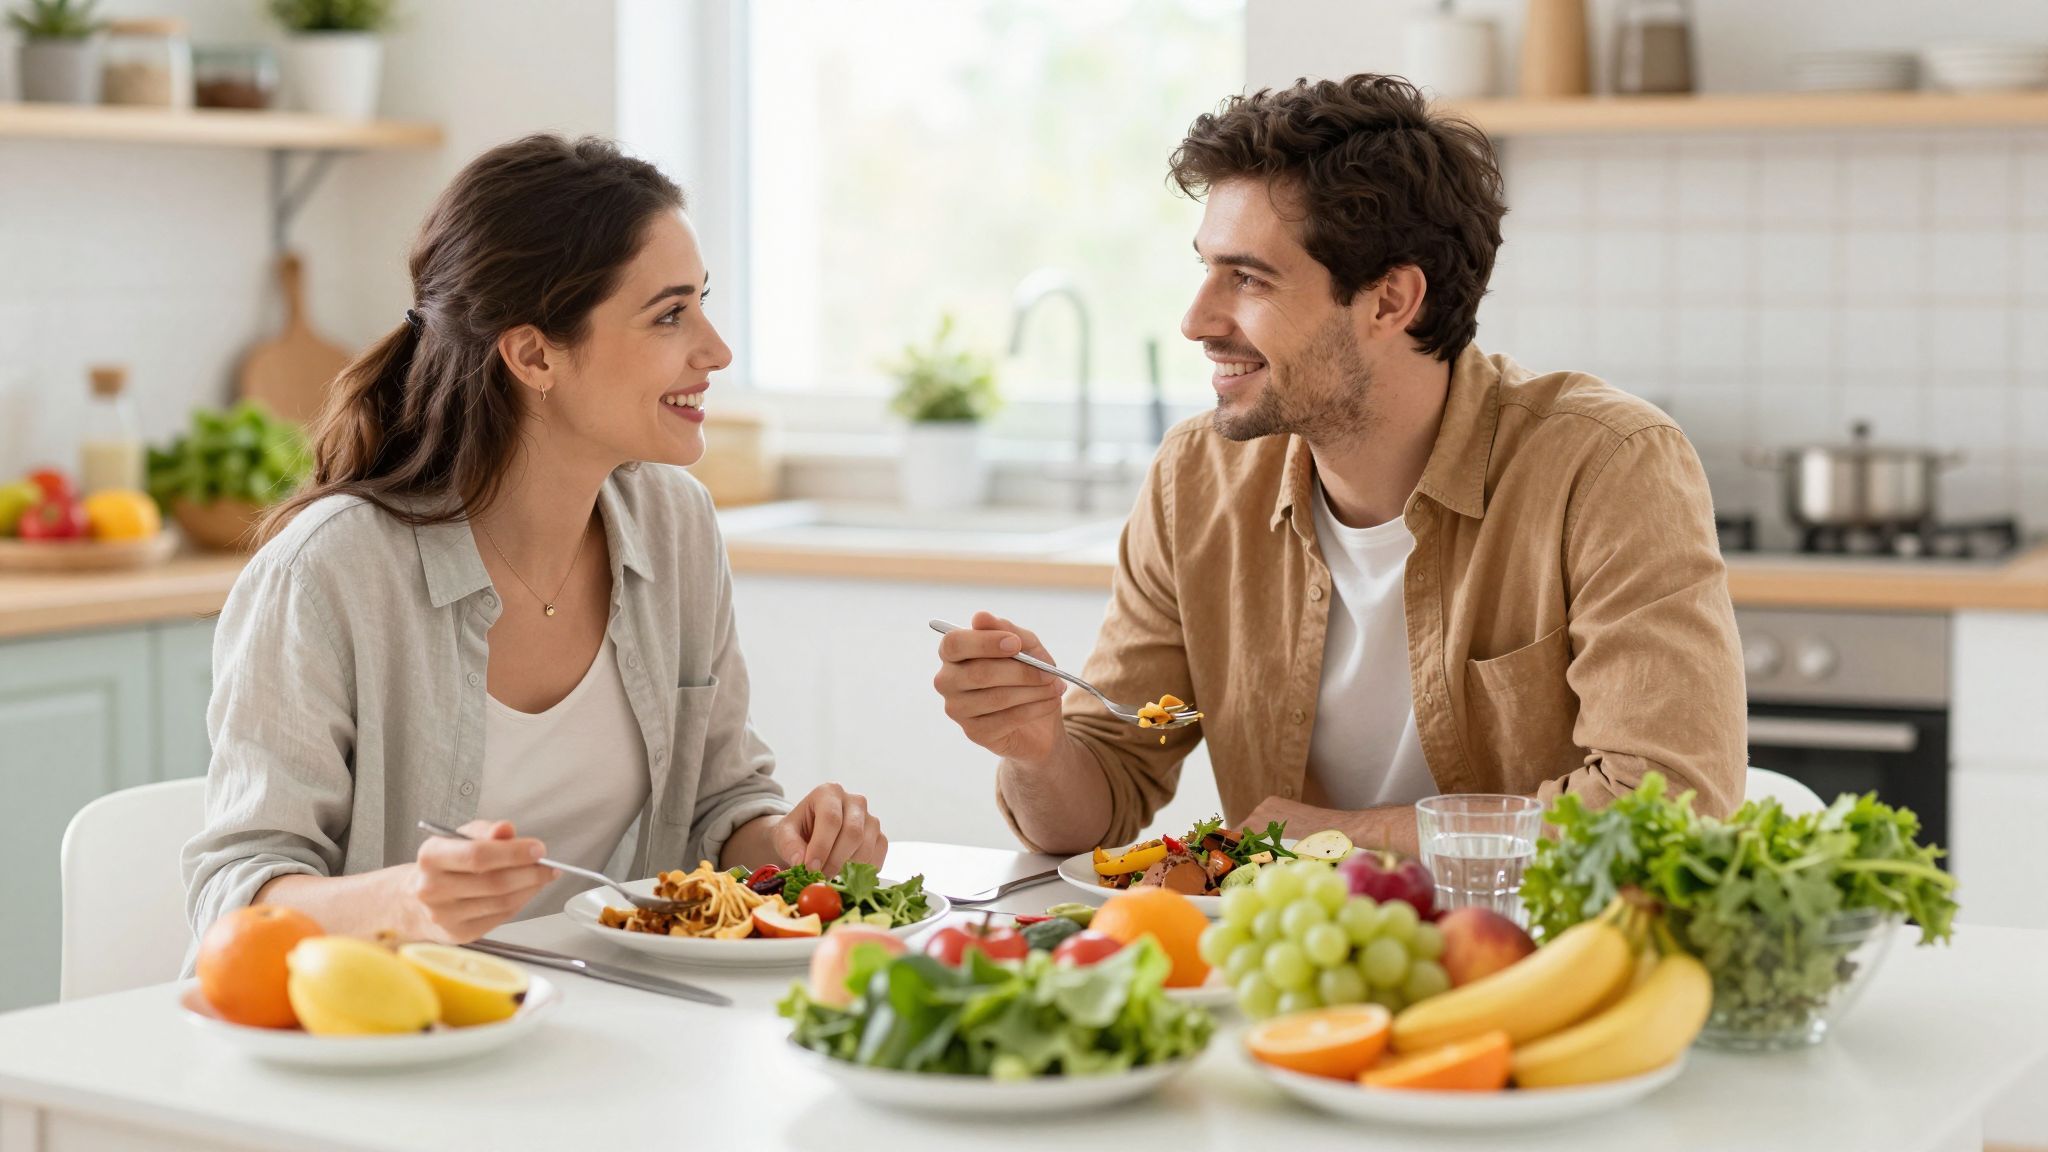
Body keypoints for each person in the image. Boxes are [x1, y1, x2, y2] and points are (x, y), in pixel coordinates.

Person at [932, 74, 1745, 857]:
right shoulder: (1197, 478)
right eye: (1205, 269)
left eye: (1248, 279)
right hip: (1287, 946)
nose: (1196, 320)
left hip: (1537, 944)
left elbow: (1670, 805)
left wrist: (1338, 836)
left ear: (1390, 302)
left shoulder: (1607, 466)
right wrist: (1037, 748)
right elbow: (1098, 802)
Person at [184, 135, 886, 949]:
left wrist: (789, 846)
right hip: (397, 1016)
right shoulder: (329, 572)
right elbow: (234, 903)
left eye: (701, 302)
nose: (717, 351)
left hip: (607, 1008)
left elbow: (716, 803)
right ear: (533, 354)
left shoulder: (676, 526)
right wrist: (406, 903)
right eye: (670, 315)